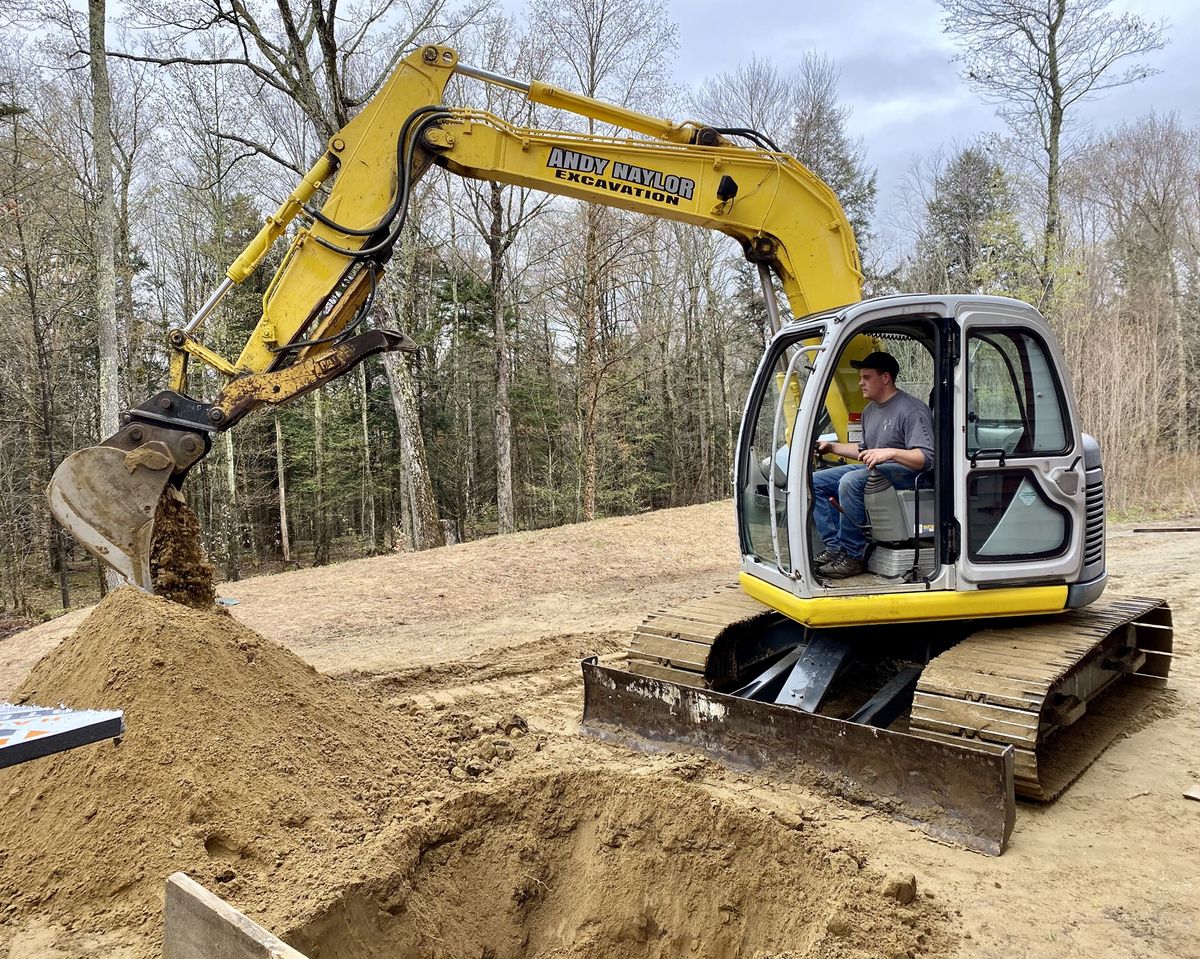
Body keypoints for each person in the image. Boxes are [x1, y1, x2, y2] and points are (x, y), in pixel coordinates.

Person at [811, 351, 934, 579]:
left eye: (866, 377)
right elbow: (865, 451)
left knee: (850, 481)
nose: (860, 383)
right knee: (815, 481)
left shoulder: (912, 410)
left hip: (908, 474)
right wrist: (832, 447)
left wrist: (891, 452)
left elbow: (926, 458)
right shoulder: (870, 411)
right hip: (878, 470)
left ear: (885, 377)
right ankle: (835, 547)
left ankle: (852, 555)